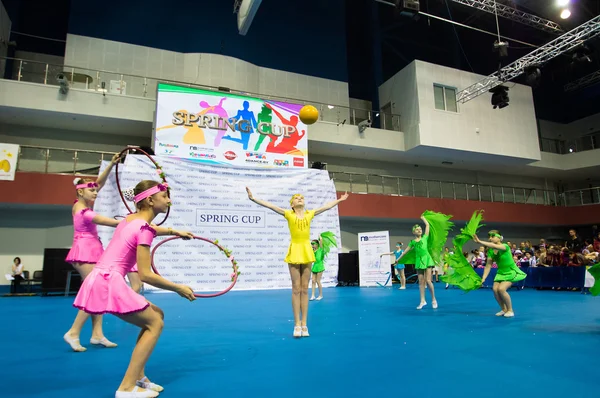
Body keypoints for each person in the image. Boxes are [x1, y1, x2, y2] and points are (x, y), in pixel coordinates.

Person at [73, 180, 195, 398]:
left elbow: (149, 228)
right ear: (150, 200)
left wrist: (175, 231)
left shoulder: (130, 220)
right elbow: (146, 275)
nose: (169, 200)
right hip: (110, 281)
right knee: (154, 322)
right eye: (165, 196)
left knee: (157, 314)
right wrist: (178, 288)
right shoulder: (143, 229)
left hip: (100, 278)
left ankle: (139, 376)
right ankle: (127, 387)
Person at [246, 187, 348, 337]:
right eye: (296, 198)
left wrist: (339, 200)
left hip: (306, 250)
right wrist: (253, 198)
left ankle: (305, 324)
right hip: (295, 249)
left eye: (302, 197)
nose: (300, 198)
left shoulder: (310, 214)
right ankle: (297, 324)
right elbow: (270, 206)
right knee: (296, 288)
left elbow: (326, 207)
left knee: (305, 289)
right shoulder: (288, 214)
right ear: (292, 204)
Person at [63, 154, 122, 352]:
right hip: (83, 251)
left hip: (94, 249)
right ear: (81, 193)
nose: (96, 193)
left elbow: (99, 183)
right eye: (92, 192)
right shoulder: (81, 209)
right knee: (94, 290)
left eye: (96, 191)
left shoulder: (86, 201)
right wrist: (123, 222)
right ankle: (73, 332)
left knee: (98, 290)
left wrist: (112, 164)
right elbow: (102, 220)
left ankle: (97, 335)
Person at [396, 211, 453, 309]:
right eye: (417, 230)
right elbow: (405, 252)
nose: (419, 230)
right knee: (421, 281)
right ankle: (422, 301)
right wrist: (398, 259)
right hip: (419, 261)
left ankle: (434, 299)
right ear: (413, 232)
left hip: (427, 259)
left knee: (428, 280)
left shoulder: (425, 238)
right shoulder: (412, 242)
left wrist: (423, 218)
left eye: (420, 229)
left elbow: (427, 226)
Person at [475, 230, 527, 318]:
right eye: (489, 237)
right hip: (500, 272)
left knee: (501, 289)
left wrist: (480, 241)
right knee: (495, 290)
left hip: (510, 271)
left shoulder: (505, 246)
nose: (490, 238)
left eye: (492, 236)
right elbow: (488, 265)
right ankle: (504, 309)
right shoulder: (491, 251)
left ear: (499, 237)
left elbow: (494, 245)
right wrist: (483, 278)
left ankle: (510, 310)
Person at [310, 232, 337, 301]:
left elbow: (321, 241)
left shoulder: (321, 249)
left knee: (318, 281)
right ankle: (312, 295)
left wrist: (319, 236)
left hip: (320, 266)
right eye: (311, 244)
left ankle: (320, 295)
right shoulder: (312, 251)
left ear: (317, 244)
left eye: (313, 244)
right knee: (313, 281)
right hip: (314, 267)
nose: (312, 245)